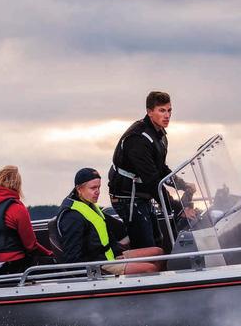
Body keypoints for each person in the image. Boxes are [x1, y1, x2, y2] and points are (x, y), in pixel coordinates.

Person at [107, 91, 195, 249]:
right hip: (127, 197)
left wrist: (182, 185)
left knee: (157, 239)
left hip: (143, 194)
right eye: (162, 110)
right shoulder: (138, 139)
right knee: (147, 246)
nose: (167, 115)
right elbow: (153, 180)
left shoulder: (158, 134)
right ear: (149, 111)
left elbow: (161, 168)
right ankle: (128, 265)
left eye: (169, 110)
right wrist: (178, 208)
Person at [56, 167, 165, 275]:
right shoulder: (72, 217)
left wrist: (117, 250)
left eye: (98, 187)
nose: (97, 192)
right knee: (150, 268)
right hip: (99, 263)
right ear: (79, 189)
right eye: (93, 188)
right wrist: (94, 275)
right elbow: (72, 259)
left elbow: (108, 232)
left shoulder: (89, 205)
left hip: (111, 254)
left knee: (158, 252)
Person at [0, 165, 53, 274]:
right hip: (15, 266)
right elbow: (31, 245)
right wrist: (50, 254)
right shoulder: (18, 208)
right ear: (17, 184)